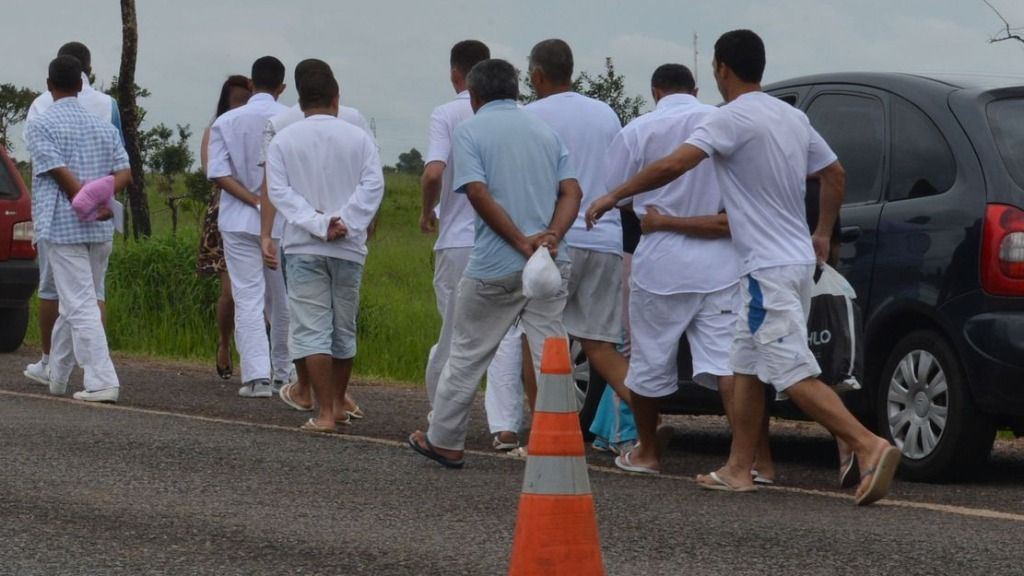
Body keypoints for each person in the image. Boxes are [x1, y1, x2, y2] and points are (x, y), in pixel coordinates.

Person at [586, 30, 899, 505]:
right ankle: (739, 468)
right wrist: (820, 231)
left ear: (722, 70)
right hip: (791, 262)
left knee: (790, 370)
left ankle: (868, 444)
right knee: (745, 366)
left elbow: (674, 166)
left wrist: (614, 195)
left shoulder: (730, 119)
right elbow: (834, 174)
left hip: (765, 269)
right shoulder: (791, 117)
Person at [600, 63, 775, 477]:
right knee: (730, 367)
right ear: (695, 89)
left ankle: (647, 452)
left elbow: (616, 193)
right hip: (719, 259)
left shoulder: (638, 130)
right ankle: (754, 461)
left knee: (648, 361)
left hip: (661, 259)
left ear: (655, 92)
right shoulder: (722, 122)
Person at [408, 58, 582, 468]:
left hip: (496, 264)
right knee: (551, 354)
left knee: (467, 353)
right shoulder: (545, 131)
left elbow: (477, 192)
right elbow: (571, 191)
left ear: (473, 95)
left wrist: (520, 241)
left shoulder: (469, 131)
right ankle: (560, 443)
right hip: (551, 261)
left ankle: (446, 440)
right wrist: (552, 236)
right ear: (517, 91)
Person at [420, 40, 525, 451]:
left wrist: (427, 211)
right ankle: (505, 426)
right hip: (508, 238)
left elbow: (432, 173)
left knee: (454, 335)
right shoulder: (520, 116)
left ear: (456, 74)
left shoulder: (447, 114)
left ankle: (441, 417)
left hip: (460, 239)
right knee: (506, 336)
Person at [266, 68, 384, 432]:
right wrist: (345, 221)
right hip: (348, 247)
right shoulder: (359, 137)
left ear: (300, 102)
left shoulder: (284, 140)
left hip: (304, 245)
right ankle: (337, 402)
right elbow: (374, 184)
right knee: (342, 327)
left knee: (311, 327)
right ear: (337, 98)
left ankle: (325, 413)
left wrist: (319, 223)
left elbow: (279, 192)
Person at [523, 39, 632, 407]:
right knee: (600, 346)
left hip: (557, 240)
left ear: (536, 75)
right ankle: (648, 422)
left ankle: (546, 429)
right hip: (606, 238)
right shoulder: (605, 113)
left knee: (538, 335)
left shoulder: (531, 115)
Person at [24, 55, 131, 403]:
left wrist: (84, 200)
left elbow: (58, 172)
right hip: (101, 229)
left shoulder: (42, 124)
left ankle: (101, 379)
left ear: (49, 84)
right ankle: (57, 374)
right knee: (77, 302)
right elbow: (124, 172)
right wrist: (102, 199)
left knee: (79, 303)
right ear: (82, 83)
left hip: (63, 226)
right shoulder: (102, 125)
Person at [206, 56, 291, 398]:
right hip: (283, 221)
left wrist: (253, 201)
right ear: (282, 87)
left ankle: (257, 377)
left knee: (247, 296)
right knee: (283, 299)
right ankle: (286, 372)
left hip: (237, 220)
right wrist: (268, 203)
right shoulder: (290, 120)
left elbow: (218, 174)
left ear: (252, 84)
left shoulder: (226, 122)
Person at [196, 74, 251, 381]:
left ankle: (261, 358)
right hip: (226, 213)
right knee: (230, 292)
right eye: (236, 100)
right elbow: (211, 170)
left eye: (247, 99)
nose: (242, 105)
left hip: (263, 212)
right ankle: (224, 343)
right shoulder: (215, 130)